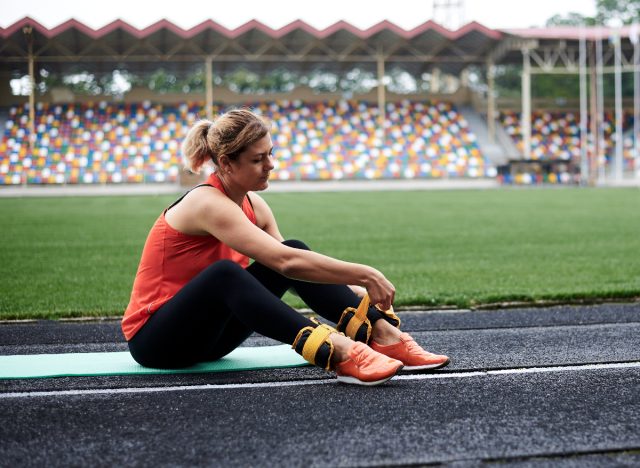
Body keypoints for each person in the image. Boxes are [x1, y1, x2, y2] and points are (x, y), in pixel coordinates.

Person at [122, 108, 449, 386]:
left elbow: (292, 268)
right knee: (224, 274)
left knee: (293, 247)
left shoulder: (256, 206)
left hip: (212, 339)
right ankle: (339, 351)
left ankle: (384, 337)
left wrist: (354, 293)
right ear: (226, 163)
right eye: (258, 159)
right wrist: (366, 274)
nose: (271, 165)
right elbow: (287, 262)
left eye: (271, 154)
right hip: (157, 341)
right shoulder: (206, 203)